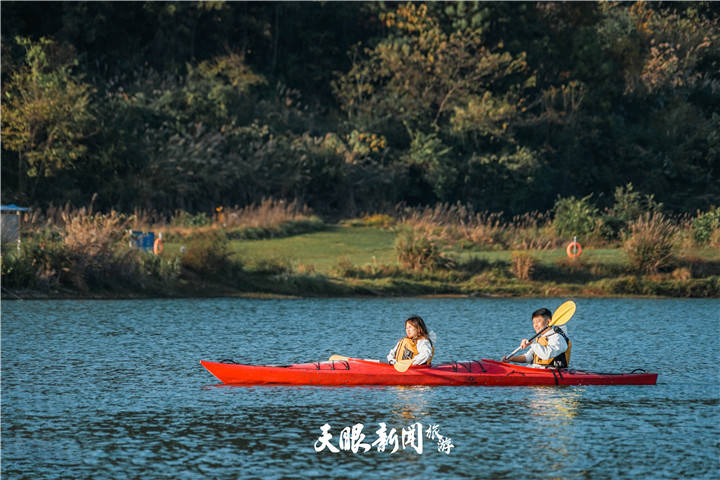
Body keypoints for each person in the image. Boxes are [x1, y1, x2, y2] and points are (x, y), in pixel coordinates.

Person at [503, 308, 571, 368]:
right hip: (538, 371)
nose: (535, 325)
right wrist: (511, 359)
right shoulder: (540, 339)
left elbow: (546, 355)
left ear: (548, 322)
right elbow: (528, 358)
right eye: (533, 322)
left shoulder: (558, 338)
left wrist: (532, 343)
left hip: (554, 373)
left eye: (538, 321)